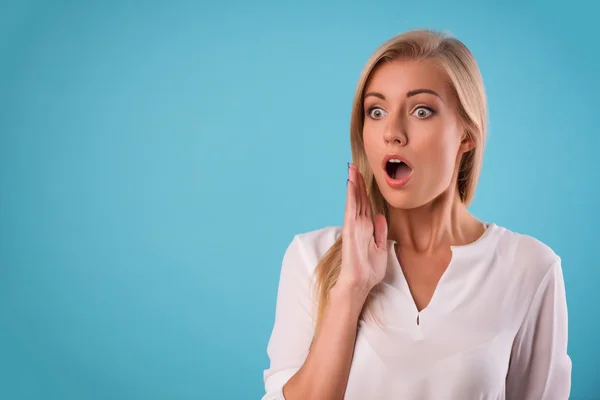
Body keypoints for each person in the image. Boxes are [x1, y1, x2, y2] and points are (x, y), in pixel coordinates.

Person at [261, 29, 572, 400]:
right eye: (376, 111)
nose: (392, 132)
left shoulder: (530, 267)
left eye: (421, 111)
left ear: (467, 134)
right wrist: (351, 289)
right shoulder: (311, 257)